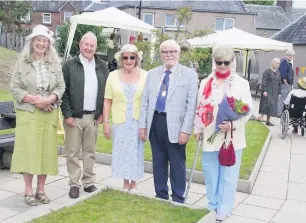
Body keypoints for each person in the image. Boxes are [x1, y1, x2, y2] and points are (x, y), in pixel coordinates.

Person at [194, 45, 252, 222]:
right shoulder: (205, 83)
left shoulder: (242, 83)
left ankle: (224, 209)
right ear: (214, 61)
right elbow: (199, 107)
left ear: (232, 62)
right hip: (210, 135)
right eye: (219, 62)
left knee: (228, 175)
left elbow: (248, 110)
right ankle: (212, 205)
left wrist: (233, 124)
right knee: (210, 173)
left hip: (231, 139)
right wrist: (197, 129)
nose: (223, 66)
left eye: (226, 62)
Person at [10, 25, 65, 206]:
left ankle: (41, 190)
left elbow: (61, 87)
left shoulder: (55, 64)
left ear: (48, 44)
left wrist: (50, 99)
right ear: (32, 42)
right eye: (38, 40)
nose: (41, 43)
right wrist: (36, 101)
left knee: (45, 153)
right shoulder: (21, 63)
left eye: (45, 41)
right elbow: (15, 88)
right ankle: (28, 191)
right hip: (29, 114)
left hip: (48, 114)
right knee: (29, 152)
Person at [139, 39, 198, 203]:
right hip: (155, 122)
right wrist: (143, 125)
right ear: (160, 54)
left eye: (172, 51)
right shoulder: (152, 74)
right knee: (158, 162)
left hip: (177, 126)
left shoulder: (189, 74)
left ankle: (178, 197)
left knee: (177, 163)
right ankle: (160, 195)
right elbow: (145, 102)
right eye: (165, 52)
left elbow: (191, 105)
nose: (169, 54)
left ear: (179, 54)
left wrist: (186, 130)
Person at [61, 32, 109, 199]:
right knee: (72, 151)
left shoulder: (102, 65)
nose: (89, 48)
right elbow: (64, 92)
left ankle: (88, 182)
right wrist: (67, 114)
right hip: (74, 117)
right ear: (80, 45)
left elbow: (105, 91)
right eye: (86, 44)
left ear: (96, 48)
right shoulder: (69, 65)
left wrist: (102, 111)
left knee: (90, 151)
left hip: (93, 117)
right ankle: (74, 184)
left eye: (92, 45)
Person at [103, 44, 147, 193]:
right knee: (122, 151)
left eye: (132, 57)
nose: (129, 60)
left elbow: (148, 101)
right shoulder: (113, 75)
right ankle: (125, 183)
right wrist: (106, 123)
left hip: (137, 121)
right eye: (125, 57)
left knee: (135, 152)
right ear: (121, 59)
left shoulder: (146, 75)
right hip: (120, 121)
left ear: (137, 58)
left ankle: (134, 184)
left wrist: (145, 124)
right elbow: (107, 100)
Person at [257, 58, 281, 126]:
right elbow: (264, 81)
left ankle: (268, 121)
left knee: (272, 106)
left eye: (278, 63)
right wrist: (264, 90)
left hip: (275, 92)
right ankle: (260, 117)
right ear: (272, 62)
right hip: (268, 90)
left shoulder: (278, 72)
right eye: (276, 63)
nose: (277, 64)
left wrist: (279, 93)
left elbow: (279, 83)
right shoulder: (267, 71)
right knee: (267, 103)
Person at [277, 49, 295, 117]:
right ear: (289, 55)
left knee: (285, 98)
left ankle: (282, 112)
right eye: (292, 56)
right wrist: (287, 84)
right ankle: (279, 113)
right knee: (283, 98)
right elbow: (283, 74)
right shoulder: (285, 61)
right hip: (285, 84)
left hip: (287, 83)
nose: (292, 57)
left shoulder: (287, 61)